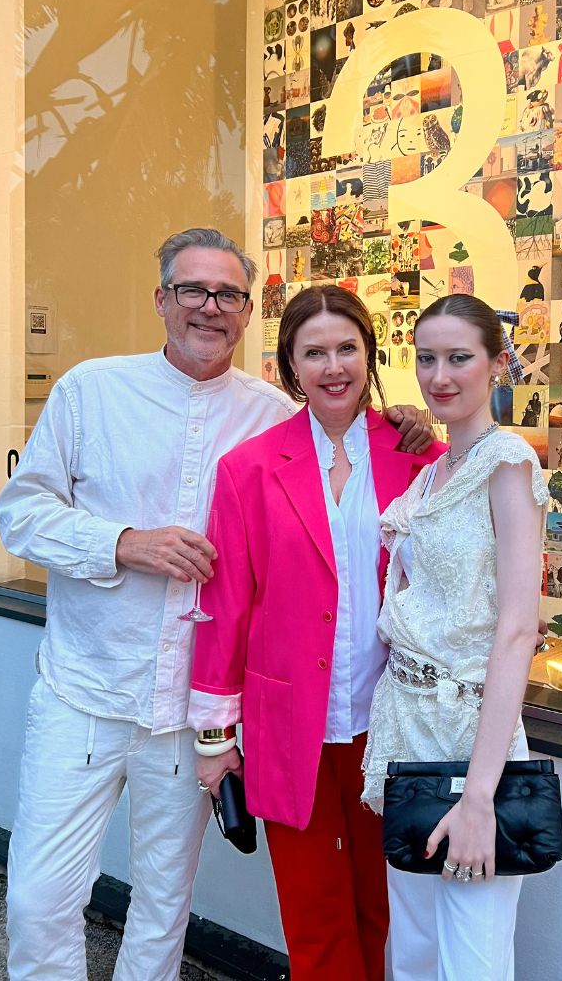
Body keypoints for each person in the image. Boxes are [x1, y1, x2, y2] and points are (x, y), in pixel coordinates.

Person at [0, 228, 434, 981]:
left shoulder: (272, 414)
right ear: (161, 299)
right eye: (192, 289)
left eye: (228, 294)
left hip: (184, 717)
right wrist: (122, 542)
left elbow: (343, 441)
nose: (210, 307)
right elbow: (19, 514)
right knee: (40, 900)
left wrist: (409, 425)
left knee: (164, 908)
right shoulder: (91, 391)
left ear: (248, 311)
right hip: (86, 692)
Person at [188, 286, 445, 981]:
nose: (334, 367)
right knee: (314, 918)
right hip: (288, 724)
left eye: (347, 349)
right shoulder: (247, 469)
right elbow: (226, 607)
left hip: (393, 721)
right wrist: (214, 738)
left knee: (384, 910)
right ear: (290, 366)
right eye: (315, 353)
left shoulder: (422, 458)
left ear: (370, 356)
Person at [362, 294, 546, 979]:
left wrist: (478, 796)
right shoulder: (437, 468)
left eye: (459, 358)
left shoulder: (507, 463)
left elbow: (517, 629)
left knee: (472, 957)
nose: (439, 376)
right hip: (407, 729)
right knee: (412, 951)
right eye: (426, 358)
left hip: (469, 734)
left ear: (496, 363)